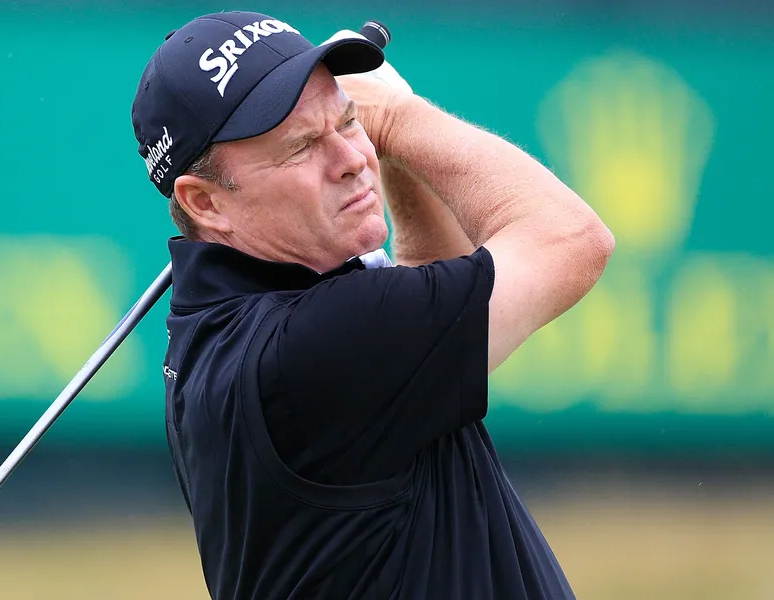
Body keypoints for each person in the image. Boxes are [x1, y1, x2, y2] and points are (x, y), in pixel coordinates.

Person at [130, 10, 614, 600]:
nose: (355, 158)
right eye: (300, 147)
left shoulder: (226, 330)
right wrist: (394, 117)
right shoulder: (313, 347)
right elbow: (572, 240)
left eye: (348, 121)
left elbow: (427, 303)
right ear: (205, 203)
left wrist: (386, 146)